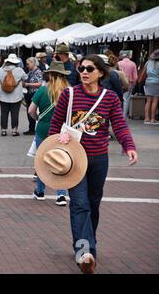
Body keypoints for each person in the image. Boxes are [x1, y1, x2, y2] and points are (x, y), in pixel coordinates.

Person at [48, 54, 138, 273]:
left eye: (89, 69)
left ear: (101, 73)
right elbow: (54, 125)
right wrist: (52, 148)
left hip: (99, 159)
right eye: (81, 69)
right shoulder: (68, 95)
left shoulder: (110, 98)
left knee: (93, 203)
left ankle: (87, 242)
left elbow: (119, 124)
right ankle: (85, 253)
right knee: (80, 204)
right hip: (74, 160)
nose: (84, 72)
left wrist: (129, 146)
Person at [28, 61, 70, 205]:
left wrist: (38, 119)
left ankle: (40, 191)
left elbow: (31, 111)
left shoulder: (42, 90)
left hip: (44, 128)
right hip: (62, 131)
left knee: (42, 161)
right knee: (61, 161)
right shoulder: (70, 91)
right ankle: (61, 195)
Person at [0, 54, 28, 136]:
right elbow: (25, 78)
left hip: (3, 96)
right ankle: (14, 130)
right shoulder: (19, 70)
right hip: (16, 96)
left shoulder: (0, 70)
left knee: (4, 113)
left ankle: (3, 130)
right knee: (15, 113)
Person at [23, 57, 43, 135]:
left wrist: (28, 84)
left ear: (33, 63)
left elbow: (40, 83)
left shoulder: (38, 72)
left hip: (35, 93)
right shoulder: (30, 72)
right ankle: (31, 128)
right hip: (30, 93)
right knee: (29, 111)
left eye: (28, 64)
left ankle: (33, 129)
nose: (27, 66)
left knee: (31, 111)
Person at [118, 50, 138, 118]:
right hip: (129, 83)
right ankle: (124, 115)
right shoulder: (133, 64)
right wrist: (134, 84)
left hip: (119, 83)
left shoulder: (118, 63)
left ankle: (118, 114)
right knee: (126, 99)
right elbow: (135, 77)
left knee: (119, 98)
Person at [143, 49, 159, 124]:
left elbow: (144, 72)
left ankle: (146, 118)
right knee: (155, 101)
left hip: (148, 82)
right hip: (157, 82)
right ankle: (152, 119)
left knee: (148, 101)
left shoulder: (148, 62)